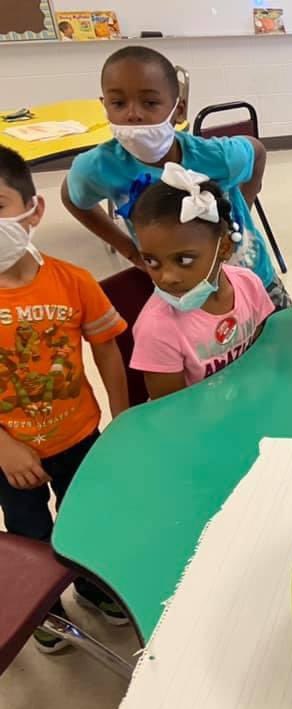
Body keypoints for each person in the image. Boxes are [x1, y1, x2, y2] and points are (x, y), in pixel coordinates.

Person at [0, 147, 130, 649]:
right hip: (11, 454)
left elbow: (107, 348)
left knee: (83, 520)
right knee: (29, 530)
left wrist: (122, 418)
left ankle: (91, 588)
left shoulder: (73, 281)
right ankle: (43, 607)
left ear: (33, 211)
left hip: (78, 435)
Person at [61, 46, 291, 310]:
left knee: (280, 341)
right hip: (182, 292)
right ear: (105, 107)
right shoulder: (99, 167)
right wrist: (127, 249)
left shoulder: (216, 156)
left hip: (251, 277)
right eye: (119, 103)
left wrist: (245, 205)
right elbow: (72, 197)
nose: (133, 114)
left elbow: (257, 152)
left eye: (149, 103)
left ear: (179, 110)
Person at [129, 164, 275, 400]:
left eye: (184, 260)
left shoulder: (249, 284)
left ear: (224, 248)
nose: (167, 277)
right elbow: (172, 409)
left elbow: (261, 353)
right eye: (152, 261)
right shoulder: (157, 328)